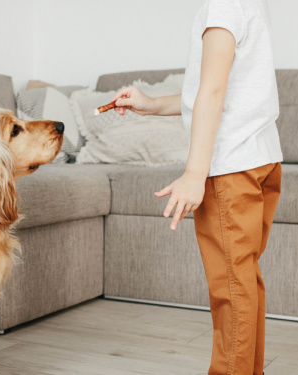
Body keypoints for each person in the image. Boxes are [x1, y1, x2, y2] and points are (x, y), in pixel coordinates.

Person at [110, 0, 282, 374]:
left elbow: (214, 93)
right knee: (243, 281)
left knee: (230, 290)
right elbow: (223, 90)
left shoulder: (223, 5)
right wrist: (152, 104)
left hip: (230, 167)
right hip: (260, 158)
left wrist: (194, 173)